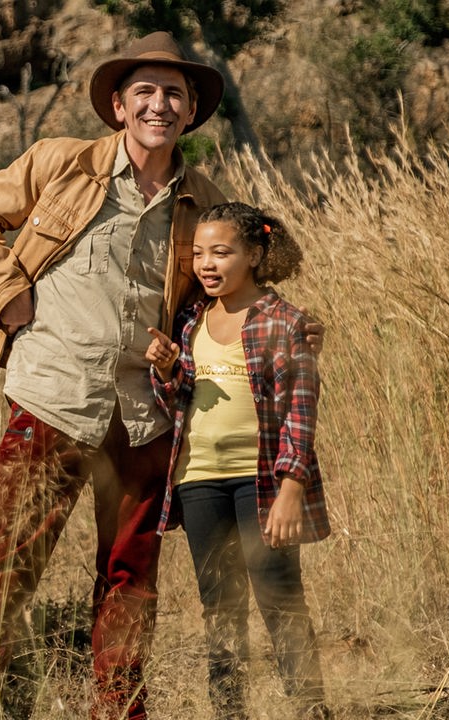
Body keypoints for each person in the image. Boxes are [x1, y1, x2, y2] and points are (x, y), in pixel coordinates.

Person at [0, 31, 230, 720]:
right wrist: (7, 293)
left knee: (130, 578)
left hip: (142, 417)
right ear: (120, 108)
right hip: (51, 400)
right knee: (7, 568)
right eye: (146, 92)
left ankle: (118, 709)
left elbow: (228, 290)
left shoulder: (206, 203)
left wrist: (186, 350)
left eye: (174, 95)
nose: (160, 105)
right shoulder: (61, 163)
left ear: (189, 113)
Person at [145, 203, 331, 720]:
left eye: (221, 252)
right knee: (219, 605)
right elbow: (179, 401)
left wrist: (291, 488)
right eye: (199, 253)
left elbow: (300, 406)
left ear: (253, 254)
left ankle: (311, 709)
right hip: (198, 479)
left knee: (279, 596)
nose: (206, 263)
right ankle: (229, 711)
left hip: (261, 482)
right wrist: (168, 372)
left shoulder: (284, 321)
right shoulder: (190, 322)